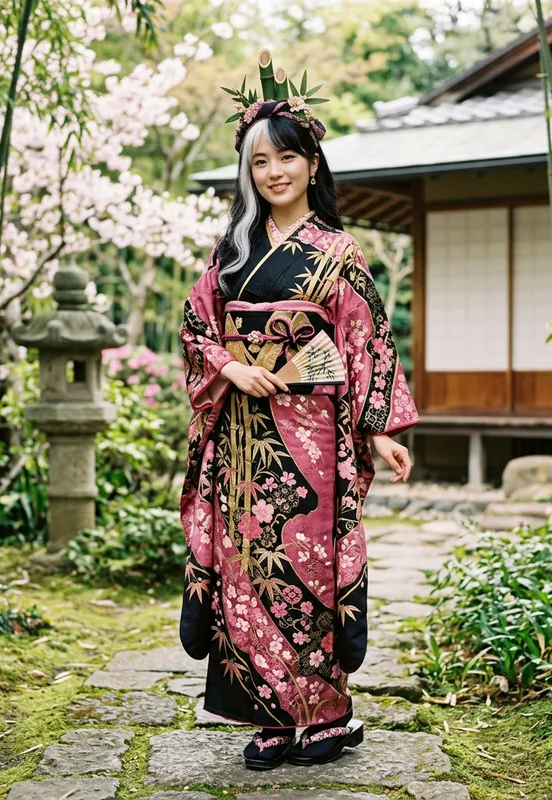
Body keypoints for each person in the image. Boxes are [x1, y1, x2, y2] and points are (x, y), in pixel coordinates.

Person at [178, 53, 419, 771]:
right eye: (260, 163)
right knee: (247, 570)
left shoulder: (339, 254)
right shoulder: (231, 253)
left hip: (312, 436)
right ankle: (269, 713)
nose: (275, 172)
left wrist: (377, 431)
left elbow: (367, 341)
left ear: (313, 164)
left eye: (288, 157)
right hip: (242, 441)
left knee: (308, 568)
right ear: (248, 173)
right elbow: (194, 328)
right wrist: (230, 366)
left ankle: (327, 712)